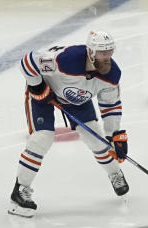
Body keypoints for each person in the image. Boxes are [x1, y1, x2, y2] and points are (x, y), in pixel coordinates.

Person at [8, 30, 129, 218]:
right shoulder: (66, 60)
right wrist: (37, 84)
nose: (107, 57)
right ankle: (19, 193)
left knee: (97, 139)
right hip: (44, 96)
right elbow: (28, 61)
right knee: (41, 139)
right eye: (102, 53)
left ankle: (115, 173)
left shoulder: (112, 74)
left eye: (110, 51)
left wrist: (114, 135)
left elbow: (110, 105)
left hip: (77, 99)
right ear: (90, 52)